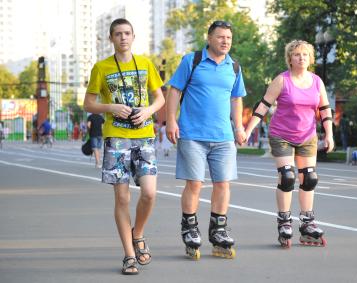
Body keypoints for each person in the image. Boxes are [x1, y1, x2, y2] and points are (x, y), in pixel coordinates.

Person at [83, 18, 165, 275]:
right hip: (116, 137)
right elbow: (88, 103)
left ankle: (137, 233)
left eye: (127, 33)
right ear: (111, 38)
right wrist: (111, 107)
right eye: (118, 34)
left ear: (133, 36)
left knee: (150, 193)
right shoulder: (101, 67)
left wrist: (149, 111)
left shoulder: (145, 64)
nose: (123, 38)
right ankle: (129, 255)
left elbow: (160, 97)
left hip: (144, 135)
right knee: (122, 197)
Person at [166, 20, 246, 260]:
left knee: (223, 184)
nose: (225, 42)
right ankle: (190, 228)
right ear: (209, 38)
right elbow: (174, 91)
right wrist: (171, 120)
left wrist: (239, 127)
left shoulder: (234, 67)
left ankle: (218, 230)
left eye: (229, 38)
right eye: (221, 37)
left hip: (223, 137)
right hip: (193, 135)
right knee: (195, 184)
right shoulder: (192, 60)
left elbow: (236, 98)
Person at [244, 39, 334, 248]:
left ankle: (307, 223)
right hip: (282, 134)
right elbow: (263, 106)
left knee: (309, 178)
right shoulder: (282, 80)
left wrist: (329, 134)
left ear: (310, 59)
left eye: (305, 54)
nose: (301, 57)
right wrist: (248, 130)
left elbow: (325, 109)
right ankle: (284, 222)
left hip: (307, 135)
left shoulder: (317, 81)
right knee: (287, 176)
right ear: (290, 59)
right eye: (297, 54)